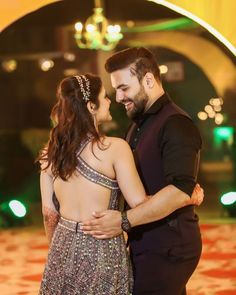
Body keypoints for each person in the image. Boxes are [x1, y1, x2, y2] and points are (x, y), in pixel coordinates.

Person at [38, 73, 202, 294]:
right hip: (102, 248)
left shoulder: (51, 153)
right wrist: (186, 196)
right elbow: (139, 202)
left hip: (62, 247)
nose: (110, 101)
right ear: (91, 106)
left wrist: (58, 249)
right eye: (104, 97)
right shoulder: (115, 148)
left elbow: (49, 215)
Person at [81, 47, 203, 295]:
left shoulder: (176, 123)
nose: (118, 97)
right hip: (146, 243)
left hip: (169, 246)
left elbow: (180, 190)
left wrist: (123, 221)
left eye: (124, 88)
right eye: (116, 90)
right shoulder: (138, 123)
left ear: (148, 80)